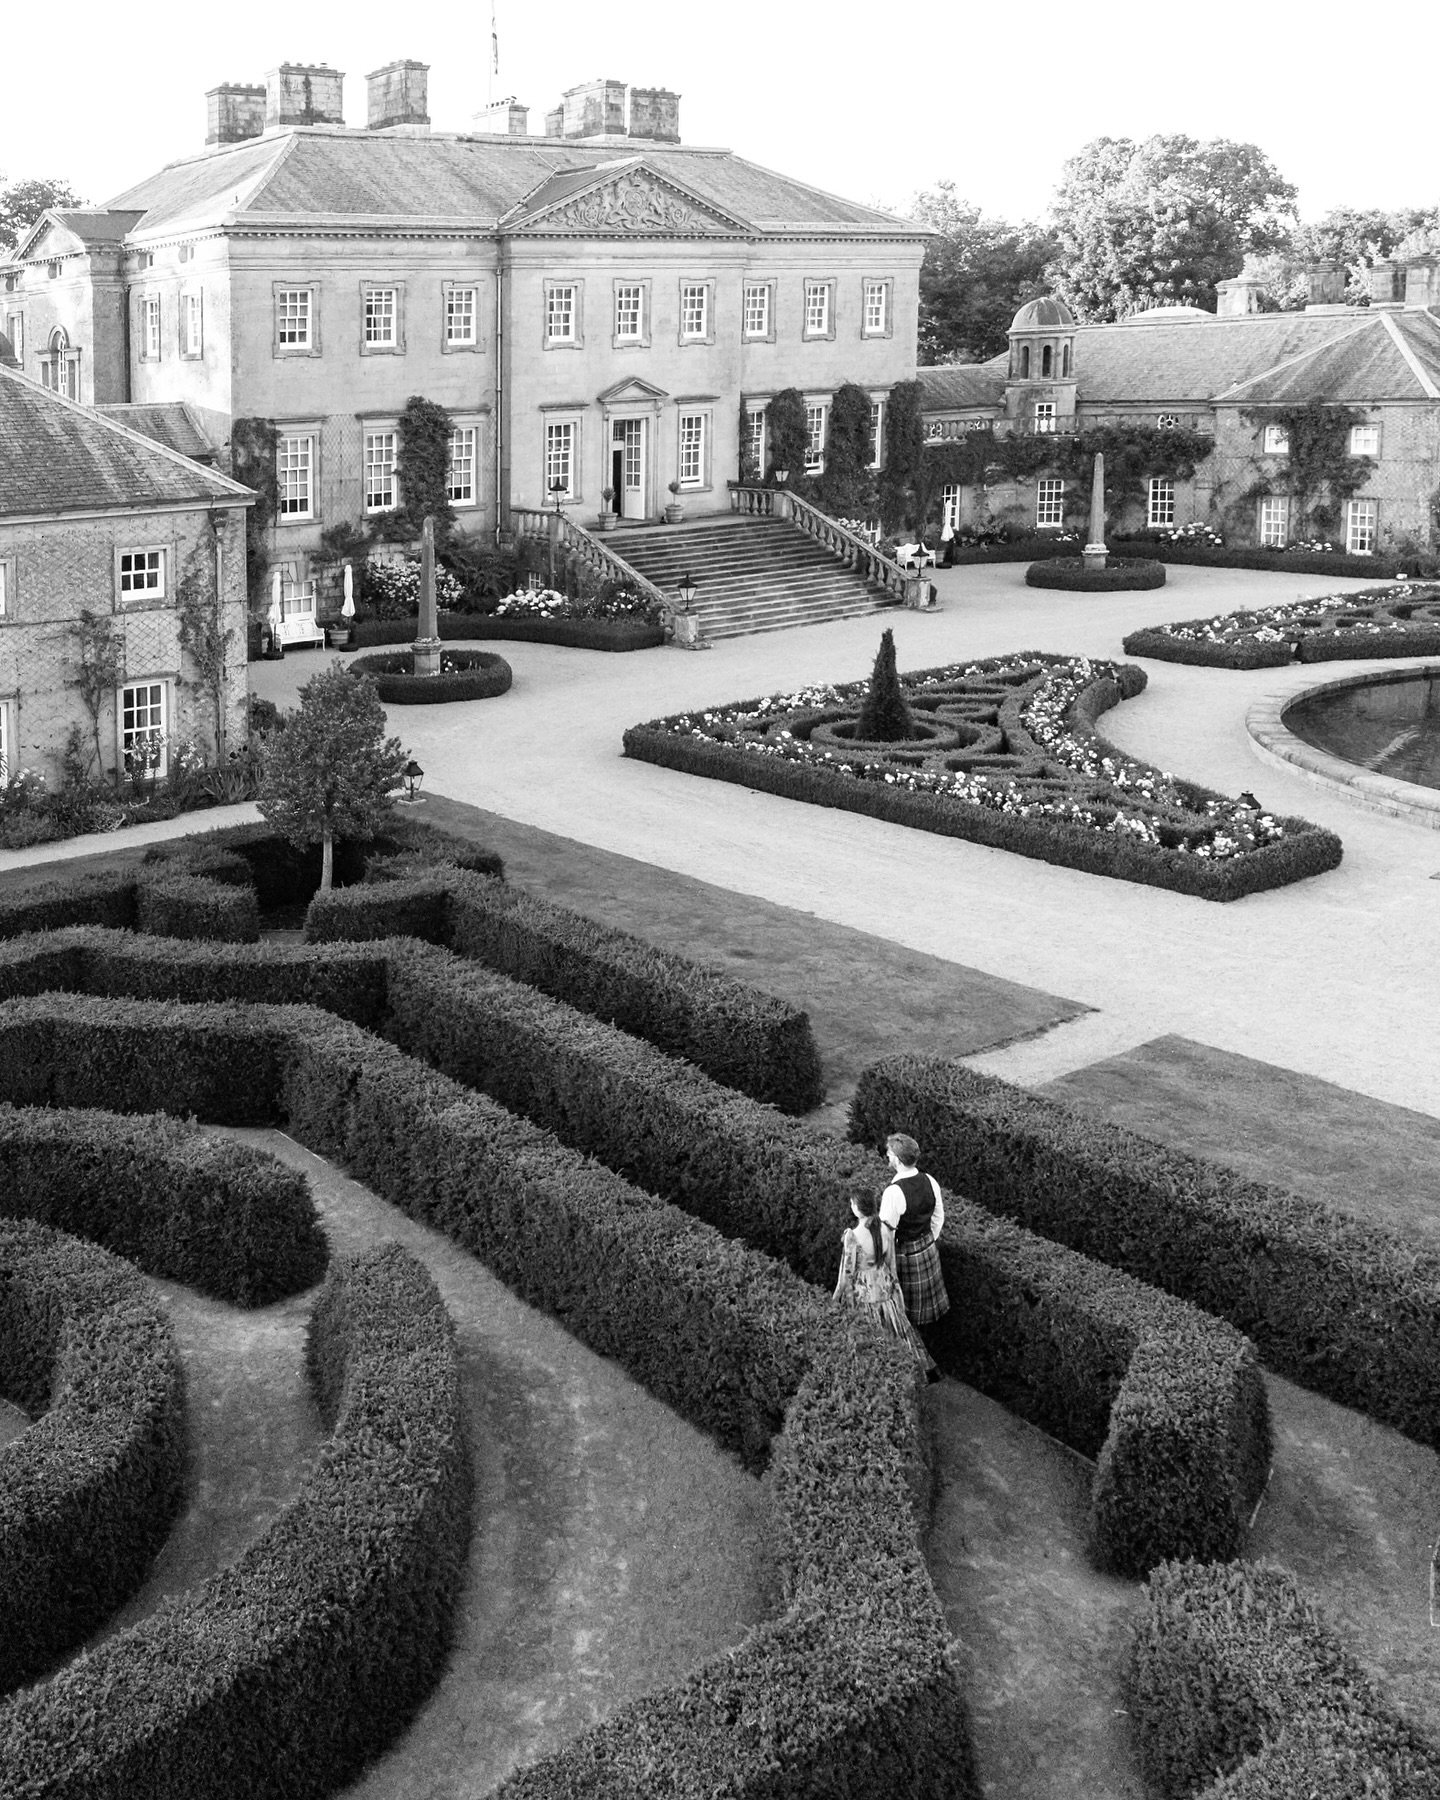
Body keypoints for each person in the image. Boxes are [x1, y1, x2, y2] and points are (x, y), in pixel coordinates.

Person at [833, 1191, 936, 1374]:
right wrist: (898, 1296)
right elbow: (891, 1267)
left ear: (858, 1209)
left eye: (852, 1204)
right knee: (896, 1334)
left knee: (870, 1338)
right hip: (886, 1290)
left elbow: (845, 1278)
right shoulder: (887, 1229)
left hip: (864, 1295)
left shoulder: (853, 1237)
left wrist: (832, 1304)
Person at [878, 1132, 950, 1336]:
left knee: (907, 1309)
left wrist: (885, 1265)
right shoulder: (930, 1180)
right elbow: (938, 1217)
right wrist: (929, 1240)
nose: (888, 1156)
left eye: (890, 1153)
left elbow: (886, 1235)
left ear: (899, 1160)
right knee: (926, 1307)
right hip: (928, 1248)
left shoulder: (893, 1193)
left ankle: (914, 1346)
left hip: (906, 1254)